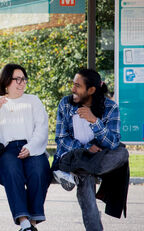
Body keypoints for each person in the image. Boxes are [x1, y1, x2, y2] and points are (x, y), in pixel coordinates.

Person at [51, 68, 129, 231]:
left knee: (123, 152)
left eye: (77, 86)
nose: (73, 89)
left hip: (97, 159)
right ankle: (81, 170)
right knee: (84, 178)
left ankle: (79, 172)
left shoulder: (110, 107)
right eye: (73, 84)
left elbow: (113, 142)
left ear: (91, 90)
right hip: (73, 157)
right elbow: (61, 139)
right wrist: (86, 147)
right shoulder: (66, 103)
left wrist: (95, 121)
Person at [0, 63, 51, 231]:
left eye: (24, 79)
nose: (21, 83)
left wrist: (31, 147)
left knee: (39, 170)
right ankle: (23, 220)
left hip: (32, 146)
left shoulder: (33, 100)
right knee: (11, 171)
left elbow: (42, 127)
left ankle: (31, 224)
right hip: (7, 150)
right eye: (17, 79)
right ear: (6, 82)